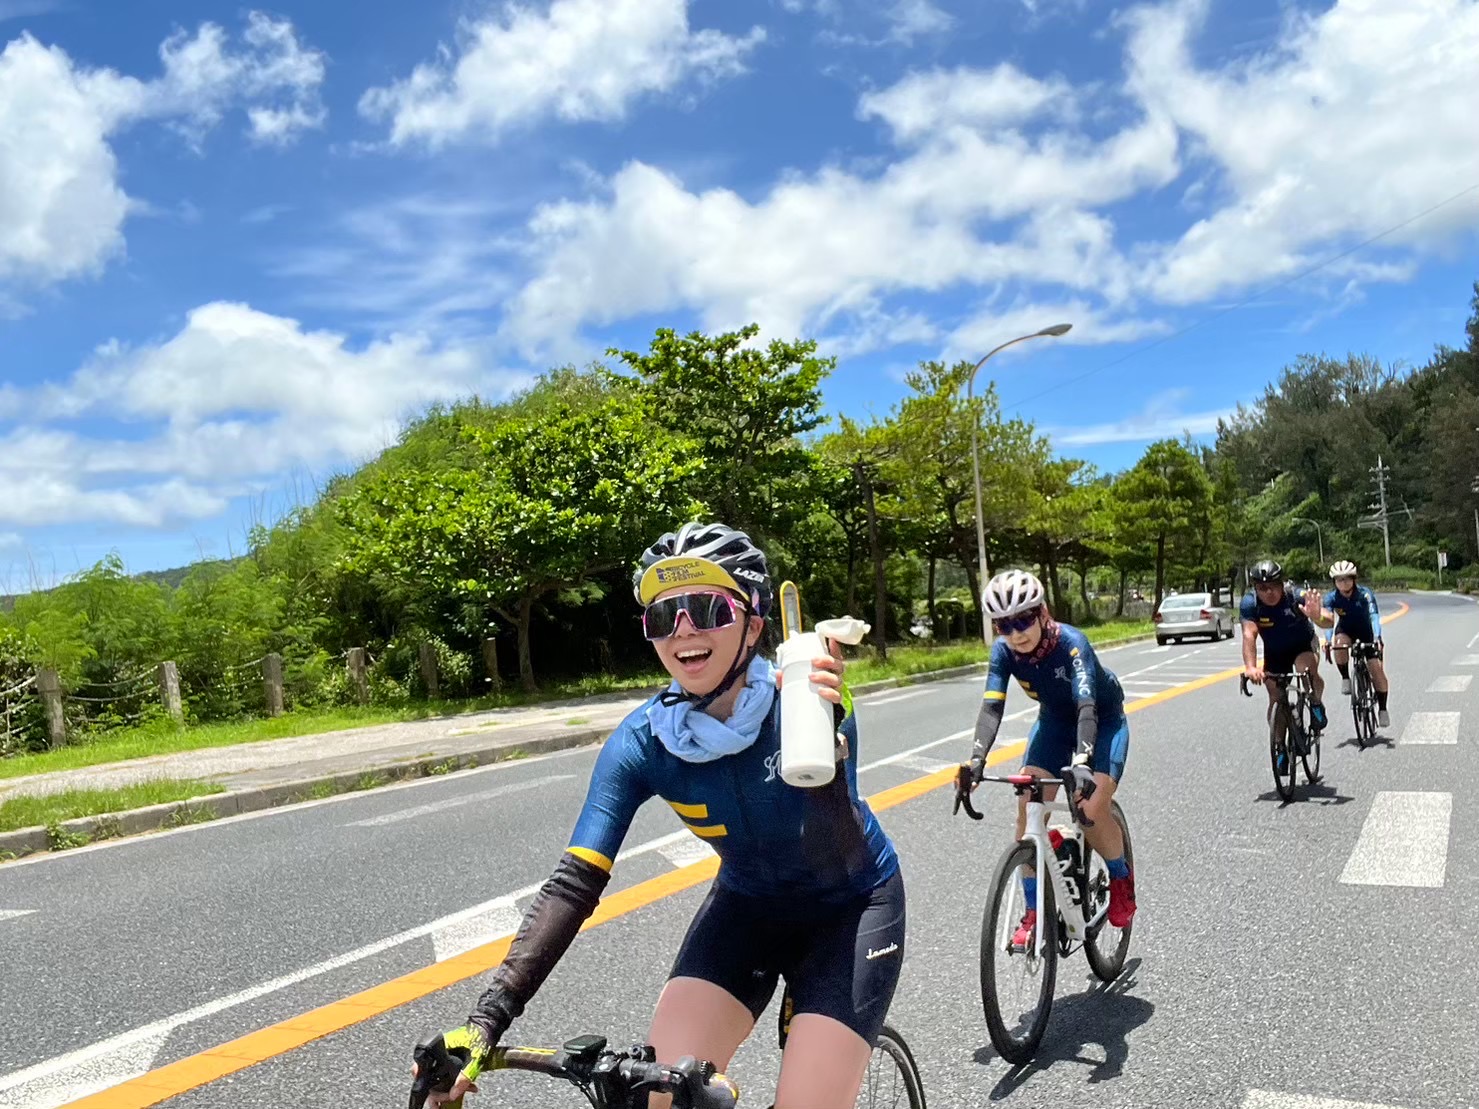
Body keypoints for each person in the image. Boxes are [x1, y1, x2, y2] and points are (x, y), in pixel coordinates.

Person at [411, 522, 905, 1109]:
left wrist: (826, 737)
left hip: (849, 911)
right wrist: (485, 1023)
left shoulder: (807, 703)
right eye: (663, 616)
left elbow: (839, 849)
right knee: (656, 1096)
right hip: (747, 909)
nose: (684, 630)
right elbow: (574, 883)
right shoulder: (643, 740)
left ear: (753, 624)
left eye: (705, 607)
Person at [960, 568, 1136, 948]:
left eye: (1023, 619)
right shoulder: (1005, 652)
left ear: (1042, 613)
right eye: (1004, 625)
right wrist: (976, 761)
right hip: (1054, 724)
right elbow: (992, 709)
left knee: (1088, 808)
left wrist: (1084, 762)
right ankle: (1034, 912)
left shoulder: (1072, 643)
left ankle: (1120, 878)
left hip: (1101, 722)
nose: (1016, 632)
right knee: (1027, 804)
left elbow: (1087, 707)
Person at [1239, 559, 1329, 767]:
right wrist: (1251, 667)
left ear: (1281, 584)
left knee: (1305, 669)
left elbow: (1329, 620)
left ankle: (1315, 701)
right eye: (1262, 588)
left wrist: (1317, 617)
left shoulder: (1295, 596)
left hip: (1302, 646)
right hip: (1276, 653)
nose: (1268, 592)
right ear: (1255, 588)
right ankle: (1280, 746)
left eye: (1273, 586)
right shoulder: (1250, 604)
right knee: (1276, 698)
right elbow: (1249, 634)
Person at [1321, 560, 1390, 728]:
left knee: (1376, 670)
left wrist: (1377, 637)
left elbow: (1374, 616)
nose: (1343, 583)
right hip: (1345, 630)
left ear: (1354, 579)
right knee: (1339, 643)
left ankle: (1382, 708)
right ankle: (1345, 677)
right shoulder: (1331, 598)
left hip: (1366, 633)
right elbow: (1329, 621)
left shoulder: (1365, 594)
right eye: (1339, 580)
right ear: (1334, 582)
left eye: (1347, 579)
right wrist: (1328, 640)